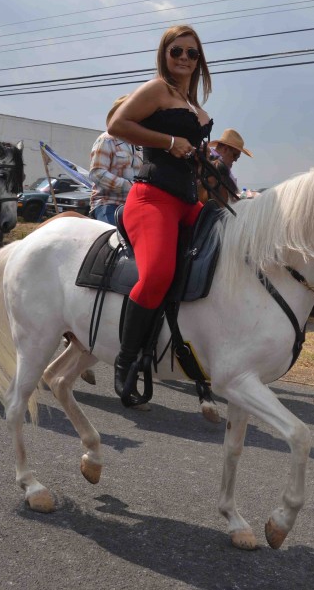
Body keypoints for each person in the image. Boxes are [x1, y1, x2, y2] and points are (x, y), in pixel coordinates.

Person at [106, 24, 213, 398]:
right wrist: (170, 142)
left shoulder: (197, 108)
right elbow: (116, 124)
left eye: (192, 53)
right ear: (164, 55)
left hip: (188, 202)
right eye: (176, 51)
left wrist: (201, 160)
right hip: (152, 198)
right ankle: (127, 359)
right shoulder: (156, 90)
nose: (184, 58)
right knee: (156, 276)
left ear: (200, 61)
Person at [88, 95, 141, 225]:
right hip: (108, 204)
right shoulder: (106, 139)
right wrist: (132, 187)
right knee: (117, 239)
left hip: (135, 205)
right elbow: (97, 174)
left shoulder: (140, 145)